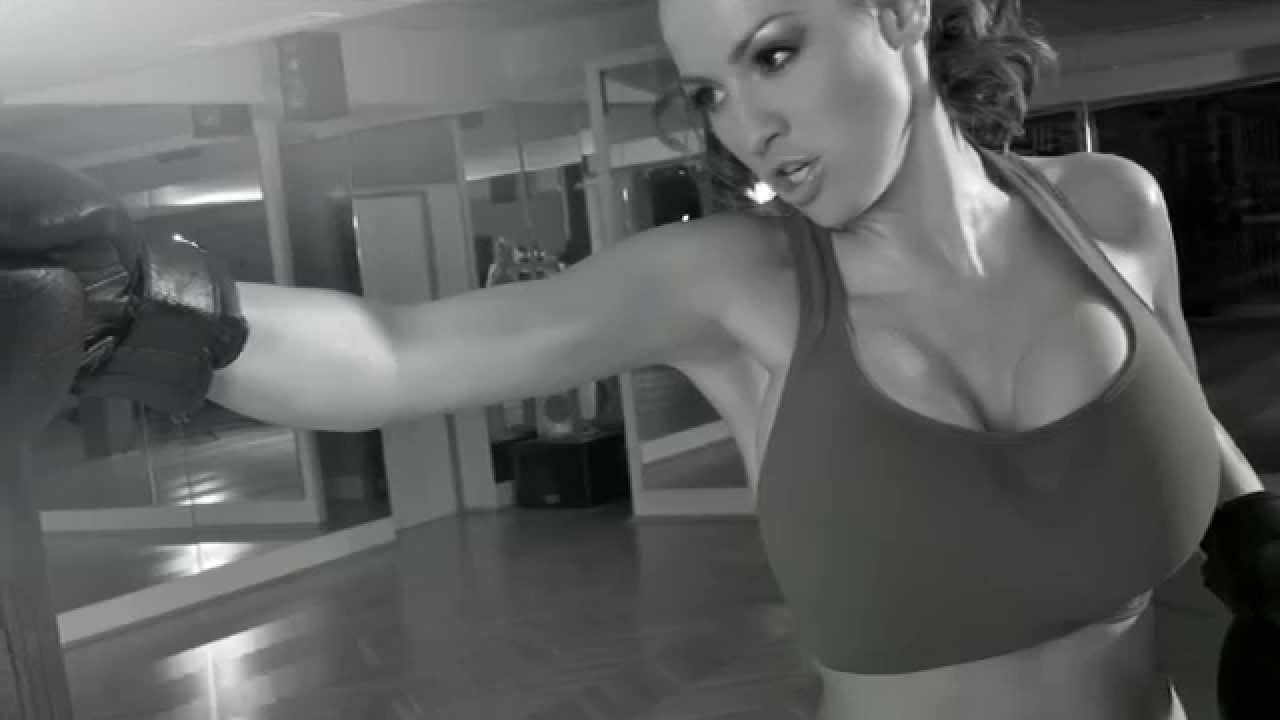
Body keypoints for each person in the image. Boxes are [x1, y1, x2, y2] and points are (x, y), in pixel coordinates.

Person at [1, 1, 1279, 718]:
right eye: (709, 91)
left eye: (771, 52)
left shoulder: (1109, 209)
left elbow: (1176, 416)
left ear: (898, 8)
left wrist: (1255, 547)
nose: (746, 125)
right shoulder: (734, 285)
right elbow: (395, 352)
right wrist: (142, 299)